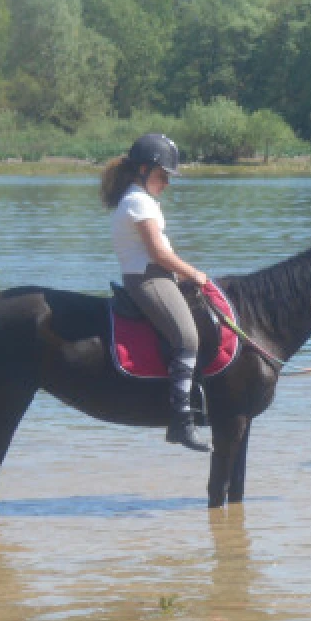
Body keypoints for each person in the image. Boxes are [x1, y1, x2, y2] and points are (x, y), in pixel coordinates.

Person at [101, 133, 211, 452]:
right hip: (149, 279)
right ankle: (181, 421)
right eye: (163, 176)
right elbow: (158, 254)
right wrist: (194, 274)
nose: (166, 183)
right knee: (188, 338)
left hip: (157, 276)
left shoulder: (143, 199)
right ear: (145, 170)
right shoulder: (137, 201)